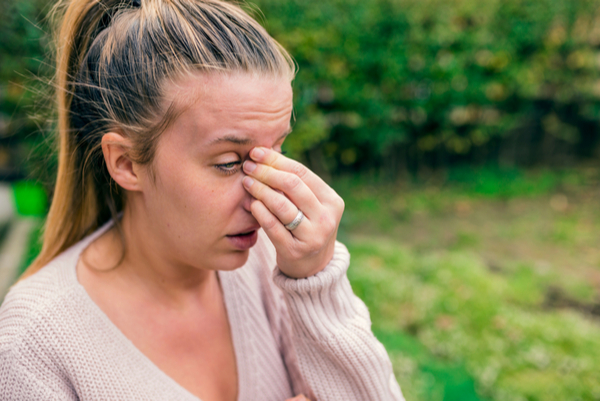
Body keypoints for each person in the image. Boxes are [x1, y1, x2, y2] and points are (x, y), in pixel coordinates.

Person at [0, 0, 404, 400]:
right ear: (126, 163)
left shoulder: (273, 265)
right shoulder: (35, 342)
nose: (266, 191)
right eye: (229, 162)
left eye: (276, 151)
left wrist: (317, 282)